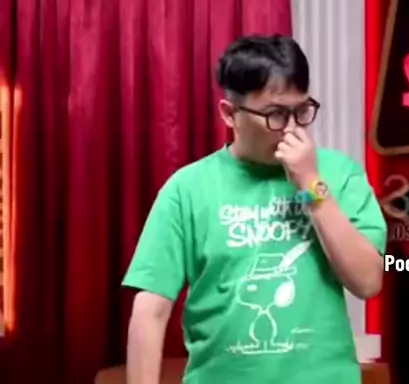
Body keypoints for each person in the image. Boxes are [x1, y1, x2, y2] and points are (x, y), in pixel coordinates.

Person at [122, 35, 386, 384]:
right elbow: (150, 311)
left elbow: (367, 281)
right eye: (276, 114)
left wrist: (311, 185)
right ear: (230, 114)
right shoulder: (186, 190)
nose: (292, 128)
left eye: (301, 111)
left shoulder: (339, 174)